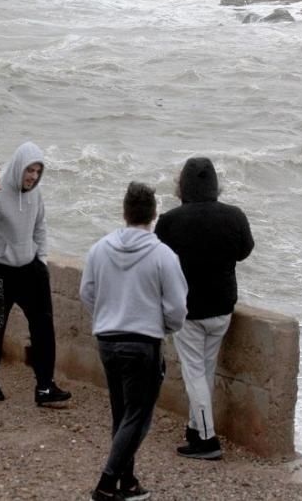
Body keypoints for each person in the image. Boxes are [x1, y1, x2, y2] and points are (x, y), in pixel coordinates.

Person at [80, 182, 188, 501]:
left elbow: (86, 292)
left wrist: (107, 315)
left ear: (124, 212)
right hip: (143, 343)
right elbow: (177, 308)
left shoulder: (100, 248)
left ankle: (127, 482)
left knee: (121, 413)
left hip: (108, 340)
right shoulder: (163, 255)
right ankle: (106, 483)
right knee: (138, 417)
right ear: (154, 215)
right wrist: (161, 327)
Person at [155, 157, 254, 460]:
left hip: (189, 309)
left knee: (194, 372)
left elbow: (159, 260)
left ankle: (208, 440)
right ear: (215, 186)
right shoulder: (235, 216)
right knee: (206, 370)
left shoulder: (170, 221)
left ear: (182, 186)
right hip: (223, 308)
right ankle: (196, 429)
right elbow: (245, 251)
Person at [0, 141, 71, 406]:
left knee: (43, 327)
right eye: (29, 170)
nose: (33, 176)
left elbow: (40, 226)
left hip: (30, 269)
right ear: (19, 166)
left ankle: (45, 387)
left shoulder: (36, 194)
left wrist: (41, 259)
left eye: (38, 171)